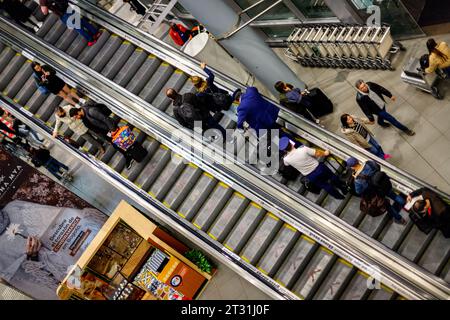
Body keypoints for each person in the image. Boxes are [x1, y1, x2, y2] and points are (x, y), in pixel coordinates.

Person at [0, 200, 107, 300]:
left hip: (92, 246)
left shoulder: (13, 207)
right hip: (68, 276)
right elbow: (31, 282)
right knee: (98, 291)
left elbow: (58, 214)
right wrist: (32, 257)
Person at [280, 137, 348, 199]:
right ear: (291, 144)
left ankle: (339, 196)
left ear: (284, 150)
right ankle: (343, 189)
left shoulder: (286, 159)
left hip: (310, 176)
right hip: (319, 168)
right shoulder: (303, 149)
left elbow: (286, 164)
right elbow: (317, 153)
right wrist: (325, 153)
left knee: (325, 186)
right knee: (332, 177)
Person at [69, 106, 135, 169]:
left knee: (122, 141)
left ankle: (132, 153)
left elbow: (105, 118)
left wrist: (112, 130)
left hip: (111, 129)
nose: (77, 118)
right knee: (117, 145)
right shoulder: (84, 118)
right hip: (106, 133)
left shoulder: (91, 111)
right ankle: (128, 155)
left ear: (78, 112)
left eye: (76, 116)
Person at [346, 157, 406, 224]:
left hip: (378, 193)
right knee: (394, 195)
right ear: (357, 161)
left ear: (352, 167)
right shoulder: (369, 163)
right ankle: (405, 205)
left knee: (388, 207)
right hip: (385, 183)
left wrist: (355, 178)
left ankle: (400, 219)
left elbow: (358, 191)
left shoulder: (358, 179)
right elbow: (378, 166)